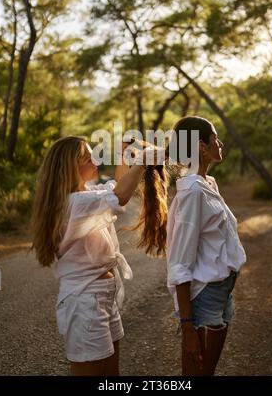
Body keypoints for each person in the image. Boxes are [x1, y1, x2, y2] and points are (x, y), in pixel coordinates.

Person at [31, 136, 162, 376]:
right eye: (87, 158)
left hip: (102, 296)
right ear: (70, 167)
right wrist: (142, 161)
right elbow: (120, 197)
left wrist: (125, 155)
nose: (95, 159)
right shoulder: (75, 203)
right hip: (85, 300)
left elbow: (119, 185)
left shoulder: (87, 194)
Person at [166, 116, 247, 376]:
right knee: (194, 372)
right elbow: (179, 262)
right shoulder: (192, 192)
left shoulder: (207, 184)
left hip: (222, 290)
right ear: (201, 146)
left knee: (207, 372)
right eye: (215, 139)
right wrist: (187, 326)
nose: (220, 143)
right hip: (204, 296)